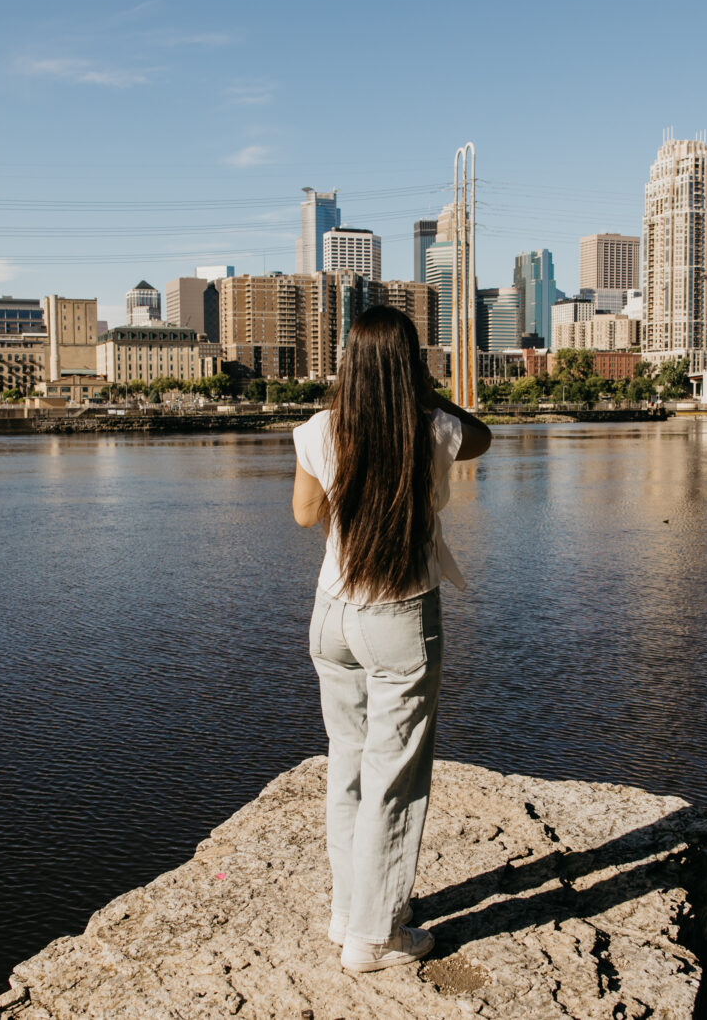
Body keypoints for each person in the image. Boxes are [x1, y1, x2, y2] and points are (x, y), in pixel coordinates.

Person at [290, 307, 490, 972]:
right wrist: (423, 394)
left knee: (346, 761)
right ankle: (374, 937)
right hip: (400, 615)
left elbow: (303, 513)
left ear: (348, 362)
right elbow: (482, 436)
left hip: (332, 614)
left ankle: (349, 911)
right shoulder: (434, 426)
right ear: (411, 365)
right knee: (393, 777)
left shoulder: (322, 428)